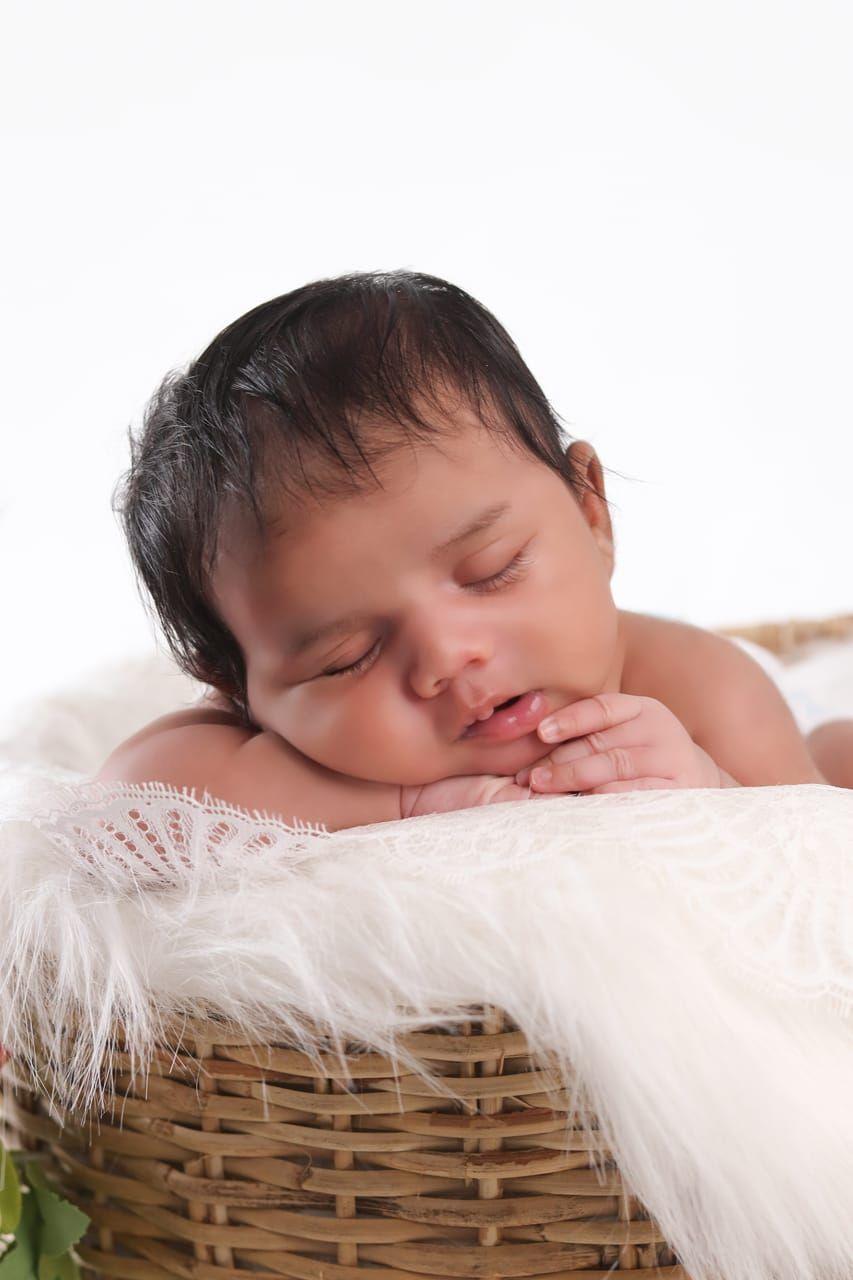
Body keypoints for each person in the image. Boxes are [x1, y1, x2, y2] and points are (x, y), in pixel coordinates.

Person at [95, 270, 853, 830]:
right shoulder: (282, 757)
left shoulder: (699, 690)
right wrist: (403, 802)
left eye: (493, 572)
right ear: (237, 685)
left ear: (590, 511)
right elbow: (123, 806)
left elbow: (812, 876)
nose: (447, 658)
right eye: (347, 656)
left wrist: (710, 791)